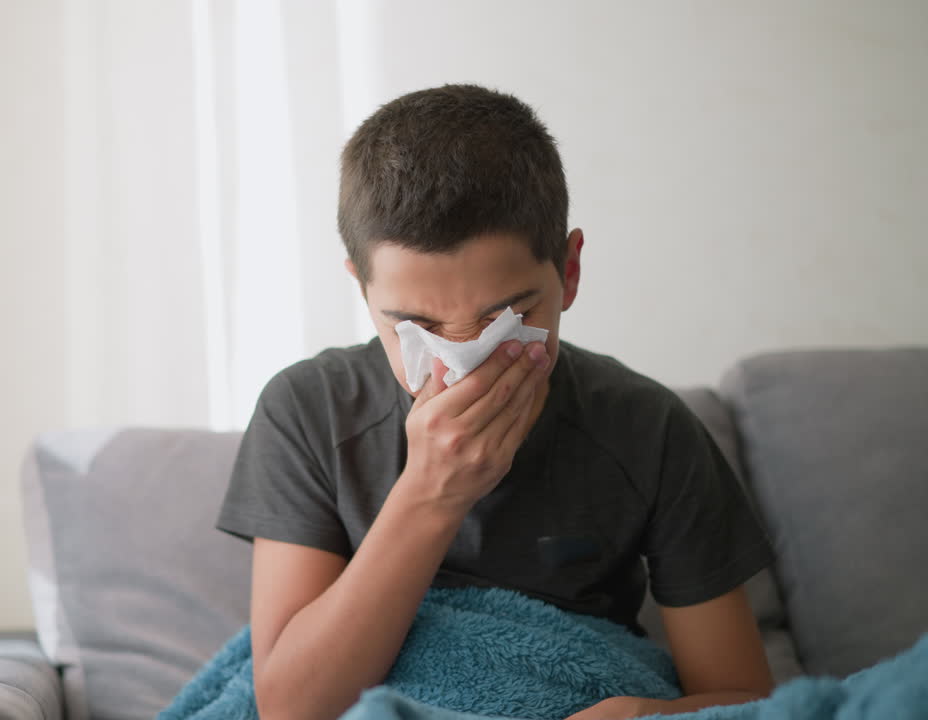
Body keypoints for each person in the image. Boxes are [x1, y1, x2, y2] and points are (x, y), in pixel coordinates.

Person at [215, 84, 775, 720]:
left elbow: (745, 701)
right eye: (415, 325)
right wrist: (433, 492)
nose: (463, 363)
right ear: (362, 289)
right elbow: (291, 707)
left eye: (507, 317)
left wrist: (631, 714)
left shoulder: (649, 428)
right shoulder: (309, 412)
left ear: (568, 273)